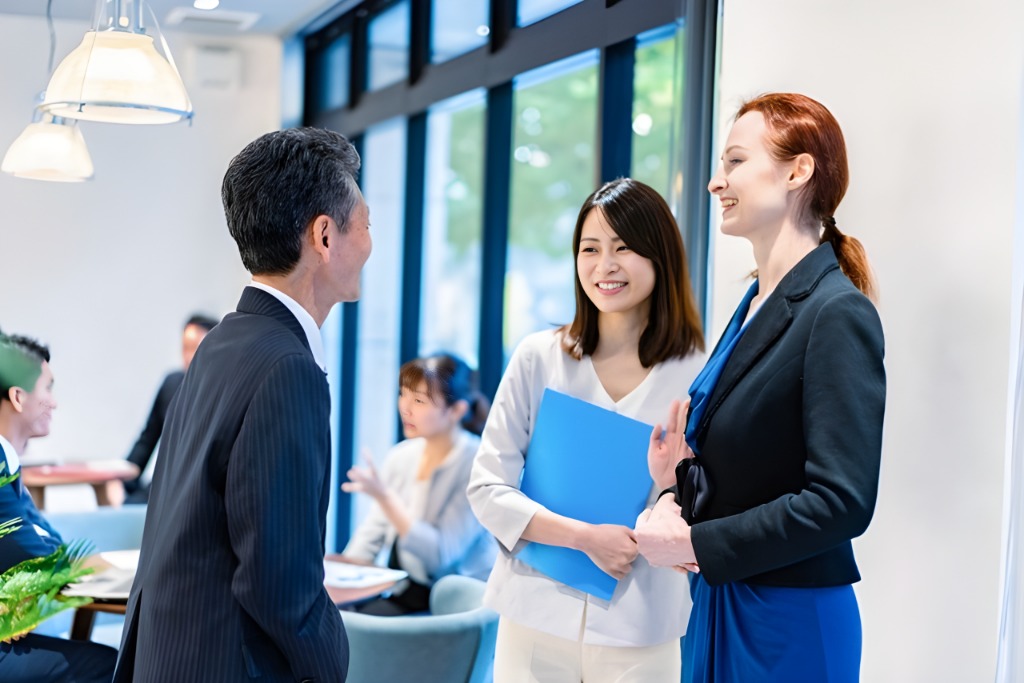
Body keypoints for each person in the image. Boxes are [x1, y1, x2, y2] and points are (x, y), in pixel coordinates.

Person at [635, 93, 886, 682]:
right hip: (720, 603)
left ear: (798, 171)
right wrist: (674, 488)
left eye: (735, 163)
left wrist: (696, 545)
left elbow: (840, 501)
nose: (715, 183)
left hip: (786, 619)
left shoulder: (835, 312)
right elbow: (749, 474)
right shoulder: (752, 305)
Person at [113, 127, 370, 683]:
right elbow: (279, 580)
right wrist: (332, 662)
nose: (371, 244)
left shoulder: (223, 343)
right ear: (325, 236)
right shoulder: (287, 366)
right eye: (367, 225)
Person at [468, 178, 706, 682]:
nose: (605, 266)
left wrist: (668, 493)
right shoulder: (540, 357)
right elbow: (487, 488)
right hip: (534, 616)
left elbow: (707, 503)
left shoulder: (696, 375)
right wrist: (583, 538)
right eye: (590, 249)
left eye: (623, 248)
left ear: (659, 257)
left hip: (641, 628)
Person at [0, 332, 118, 682]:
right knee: (109, 665)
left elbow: (47, 546)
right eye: (47, 388)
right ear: (19, 397)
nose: (54, 402)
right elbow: (49, 559)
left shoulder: (10, 466)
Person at [341, 353, 497, 616]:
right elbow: (372, 534)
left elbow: (440, 556)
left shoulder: (477, 464)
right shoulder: (402, 456)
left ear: (456, 410)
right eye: (403, 394)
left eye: (419, 400)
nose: (405, 408)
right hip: (410, 590)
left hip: (455, 604)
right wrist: (340, 578)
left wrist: (386, 498)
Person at [123, 313, 219, 504]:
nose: (189, 357)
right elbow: (147, 439)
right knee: (126, 508)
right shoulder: (172, 385)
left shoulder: (223, 392)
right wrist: (123, 481)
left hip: (202, 493)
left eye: (196, 348)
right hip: (163, 487)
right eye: (185, 348)